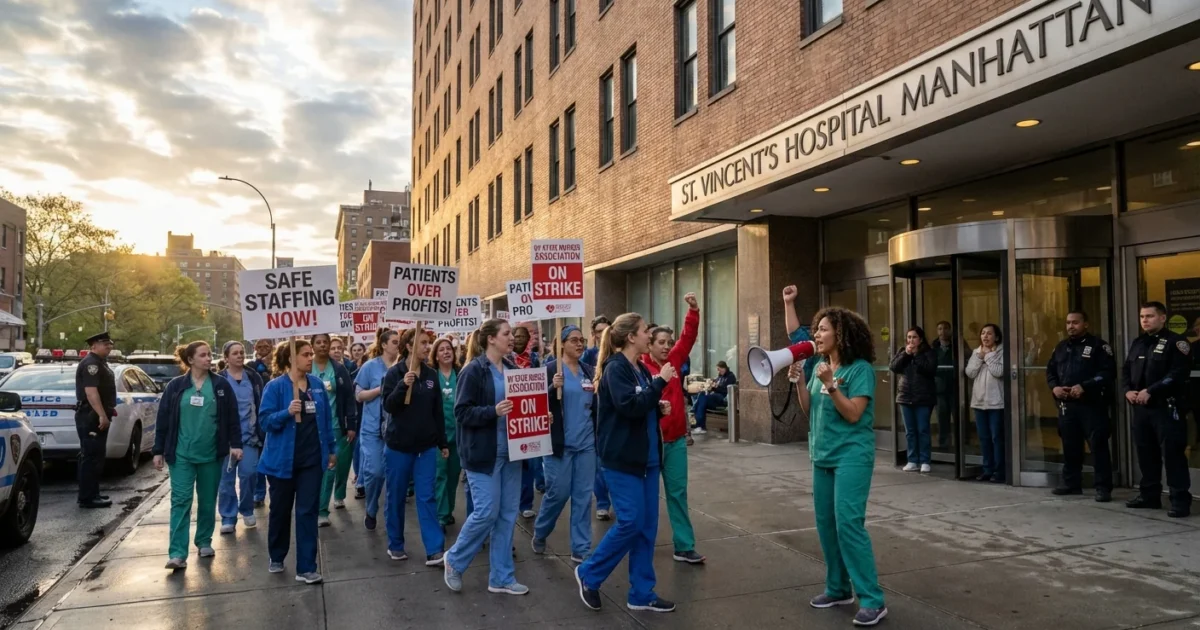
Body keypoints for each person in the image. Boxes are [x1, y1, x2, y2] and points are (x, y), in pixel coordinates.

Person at [788, 307, 888, 627]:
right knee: (827, 526)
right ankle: (838, 589)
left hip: (852, 456)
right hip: (823, 456)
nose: (816, 334)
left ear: (841, 335)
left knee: (848, 525)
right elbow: (810, 410)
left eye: (822, 330)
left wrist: (832, 385)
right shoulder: (819, 365)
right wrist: (801, 383)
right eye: (816, 329)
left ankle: (872, 599)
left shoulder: (860, 371)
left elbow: (854, 414)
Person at [575, 312, 676, 614]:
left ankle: (642, 592)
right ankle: (589, 573)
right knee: (630, 522)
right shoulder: (615, 368)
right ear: (632, 336)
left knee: (646, 527)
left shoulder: (641, 369)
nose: (650, 335)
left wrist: (657, 407)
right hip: (621, 461)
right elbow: (629, 406)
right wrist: (660, 384)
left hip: (647, 461)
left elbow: (641, 404)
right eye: (646, 331)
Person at [443, 319, 527, 596]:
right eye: (506, 334)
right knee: (486, 512)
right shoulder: (473, 371)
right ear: (490, 338)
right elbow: (462, 413)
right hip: (483, 454)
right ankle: (454, 560)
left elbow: (524, 406)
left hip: (513, 453)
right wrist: (493, 411)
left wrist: (538, 416)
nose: (511, 338)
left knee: (506, 515)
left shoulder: (514, 369)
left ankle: (501, 577)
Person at [152, 341, 243, 570]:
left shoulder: (221, 385)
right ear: (190, 360)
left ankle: (204, 541)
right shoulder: (175, 386)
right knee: (180, 500)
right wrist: (158, 450)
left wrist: (236, 444)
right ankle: (177, 553)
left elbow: (232, 417)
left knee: (207, 500)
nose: (208, 359)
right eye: (203, 355)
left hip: (211, 455)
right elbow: (163, 419)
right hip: (181, 455)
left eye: (210, 354)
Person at [258, 340, 337, 584]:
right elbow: (265, 422)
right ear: (291, 358)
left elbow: (326, 420)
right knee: (280, 511)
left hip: (311, 461)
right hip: (282, 462)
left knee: (307, 512)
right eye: (305, 354)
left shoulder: (317, 386)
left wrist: (332, 449)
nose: (310, 358)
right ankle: (277, 555)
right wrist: (287, 412)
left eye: (310, 354)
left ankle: (306, 567)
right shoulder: (275, 387)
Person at [640, 293, 706, 565]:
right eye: (661, 343)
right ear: (649, 345)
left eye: (669, 342)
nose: (667, 347)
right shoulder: (639, 367)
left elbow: (688, 337)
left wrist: (693, 311)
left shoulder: (676, 359)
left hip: (676, 440)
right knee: (646, 499)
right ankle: (641, 545)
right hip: (650, 442)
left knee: (677, 494)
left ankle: (684, 545)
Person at [381, 329, 450, 564]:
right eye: (422, 343)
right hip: (399, 447)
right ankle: (396, 544)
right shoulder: (394, 373)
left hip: (426, 448)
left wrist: (442, 442)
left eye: (428, 343)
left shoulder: (431, 375)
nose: (427, 347)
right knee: (396, 496)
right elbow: (389, 406)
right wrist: (402, 386)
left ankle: (434, 549)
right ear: (409, 346)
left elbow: (437, 411)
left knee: (427, 497)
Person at [532, 325, 597, 564]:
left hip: (586, 445)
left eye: (582, 340)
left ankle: (581, 548)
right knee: (557, 494)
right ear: (562, 344)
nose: (580, 344)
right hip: (559, 445)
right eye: (574, 340)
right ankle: (541, 530)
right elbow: (532, 405)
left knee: (583, 497)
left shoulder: (589, 371)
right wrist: (551, 388)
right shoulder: (549, 370)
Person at [1124, 301, 1192, 517]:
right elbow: (1126, 370)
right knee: (1146, 453)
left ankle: (1179, 500)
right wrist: (1127, 390)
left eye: (1150, 316)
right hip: (1141, 409)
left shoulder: (1177, 342)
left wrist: (1151, 390)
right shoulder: (1138, 343)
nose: (1145, 320)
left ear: (1163, 318)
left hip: (1166, 407)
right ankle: (1149, 496)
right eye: (1142, 316)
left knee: (1172, 454)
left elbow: (1178, 373)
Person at [1046, 310, 1115, 502]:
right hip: (1067, 406)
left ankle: (1103, 487)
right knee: (1070, 446)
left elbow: (1108, 373)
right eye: (1068, 323)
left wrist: (1085, 386)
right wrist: (1055, 388)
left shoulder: (1099, 347)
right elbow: (1050, 372)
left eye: (1075, 323)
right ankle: (1071, 483)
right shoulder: (1060, 347)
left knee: (1098, 447)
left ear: (1086, 324)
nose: (1070, 326)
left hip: (1092, 405)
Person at [354, 328, 400, 530]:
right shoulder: (370, 367)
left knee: (394, 476)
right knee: (375, 471)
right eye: (394, 342)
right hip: (373, 428)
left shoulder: (403, 368)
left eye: (399, 342)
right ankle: (371, 509)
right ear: (383, 344)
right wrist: (380, 390)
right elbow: (359, 395)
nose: (398, 345)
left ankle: (392, 516)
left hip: (397, 429)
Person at [311, 333, 359, 526]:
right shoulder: (306, 367)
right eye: (319, 342)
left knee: (332, 467)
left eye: (325, 342)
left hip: (335, 427)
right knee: (316, 469)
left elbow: (349, 398)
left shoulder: (339, 369)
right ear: (312, 346)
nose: (322, 346)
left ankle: (323, 510)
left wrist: (351, 425)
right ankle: (314, 503)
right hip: (311, 429)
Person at [218, 341, 265, 533]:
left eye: (241, 352)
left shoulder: (253, 377)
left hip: (250, 437)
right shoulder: (218, 380)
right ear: (226, 358)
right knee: (226, 480)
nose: (239, 355)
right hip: (226, 440)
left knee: (249, 474)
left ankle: (246, 509)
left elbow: (261, 403)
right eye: (235, 353)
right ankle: (228, 517)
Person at [75, 332, 118, 509]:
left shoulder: (100, 362)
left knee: (96, 456)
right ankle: (87, 497)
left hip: (95, 414)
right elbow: (91, 392)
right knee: (91, 456)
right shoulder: (91, 364)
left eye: (110, 343)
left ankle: (93, 493)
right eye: (105, 344)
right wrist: (101, 414)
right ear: (93, 346)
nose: (109, 346)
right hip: (91, 415)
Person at [891, 327, 938, 473]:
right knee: (910, 431)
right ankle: (912, 459)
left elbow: (929, 369)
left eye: (914, 337)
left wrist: (916, 355)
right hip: (905, 396)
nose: (911, 340)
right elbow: (893, 366)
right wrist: (906, 354)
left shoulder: (928, 353)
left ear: (921, 339)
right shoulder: (902, 351)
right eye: (909, 337)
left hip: (923, 397)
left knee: (922, 430)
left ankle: (925, 460)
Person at [511, 323, 545, 517]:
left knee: (531, 462)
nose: (518, 339)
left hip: (530, 416)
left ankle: (526, 504)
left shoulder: (535, 360)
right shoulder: (506, 359)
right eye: (515, 336)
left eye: (522, 336)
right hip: (511, 415)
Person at [966, 324, 1006, 483]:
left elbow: (999, 372)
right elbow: (969, 372)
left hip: (997, 403)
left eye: (989, 334)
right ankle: (987, 469)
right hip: (979, 402)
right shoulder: (976, 352)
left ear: (996, 337)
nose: (985, 336)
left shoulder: (1002, 352)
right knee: (984, 438)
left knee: (997, 438)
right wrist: (979, 357)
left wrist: (988, 356)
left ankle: (999, 471)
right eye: (983, 333)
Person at [430, 336, 462, 527]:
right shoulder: (431, 377)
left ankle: (448, 510)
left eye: (448, 348)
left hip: (458, 435)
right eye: (441, 349)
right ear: (436, 355)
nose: (446, 352)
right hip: (437, 436)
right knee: (440, 475)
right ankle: (441, 516)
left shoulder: (461, 373)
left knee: (453, 475)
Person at [586, 316, 614, 520]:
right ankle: (602, 502)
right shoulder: (589, 355)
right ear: (594, 335)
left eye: (607, 329)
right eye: (599, 330)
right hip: (595, 412)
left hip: (616, 411)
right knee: (598, 462)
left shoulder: (618, 354)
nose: (603, 334)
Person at [246, 339, 275, 506]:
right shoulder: (251, 365)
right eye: (261, 347)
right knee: (257, 457)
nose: (264, 349)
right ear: (255, 348)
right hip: (256, 415)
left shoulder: (277, 364)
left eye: (267, 346)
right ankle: (258, 493)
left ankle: (275, 489)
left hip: (273, 413)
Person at [931, 322, 957, 449]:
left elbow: (967, 356)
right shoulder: (933, 347)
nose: (943, 331)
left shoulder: (957, 345)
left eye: (946, 328)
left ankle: (961, 444)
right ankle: (944, 445)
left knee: (958, 416)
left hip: (955, 387)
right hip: (939, 388)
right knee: (942, 417)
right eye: (940, 328)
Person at [693, 361, 737, 435]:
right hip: (715, 397)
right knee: (702, 397)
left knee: (703, 399)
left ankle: (699, 424)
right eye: (717, 369)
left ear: (724, 368)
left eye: (719, 369)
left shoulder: (730, 376)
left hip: (723, 398)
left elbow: (725, 390)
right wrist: (711, 385)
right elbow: (714, 386)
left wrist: (715, 387)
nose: (718, 371)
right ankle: (700, 426)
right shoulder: (719, 376)